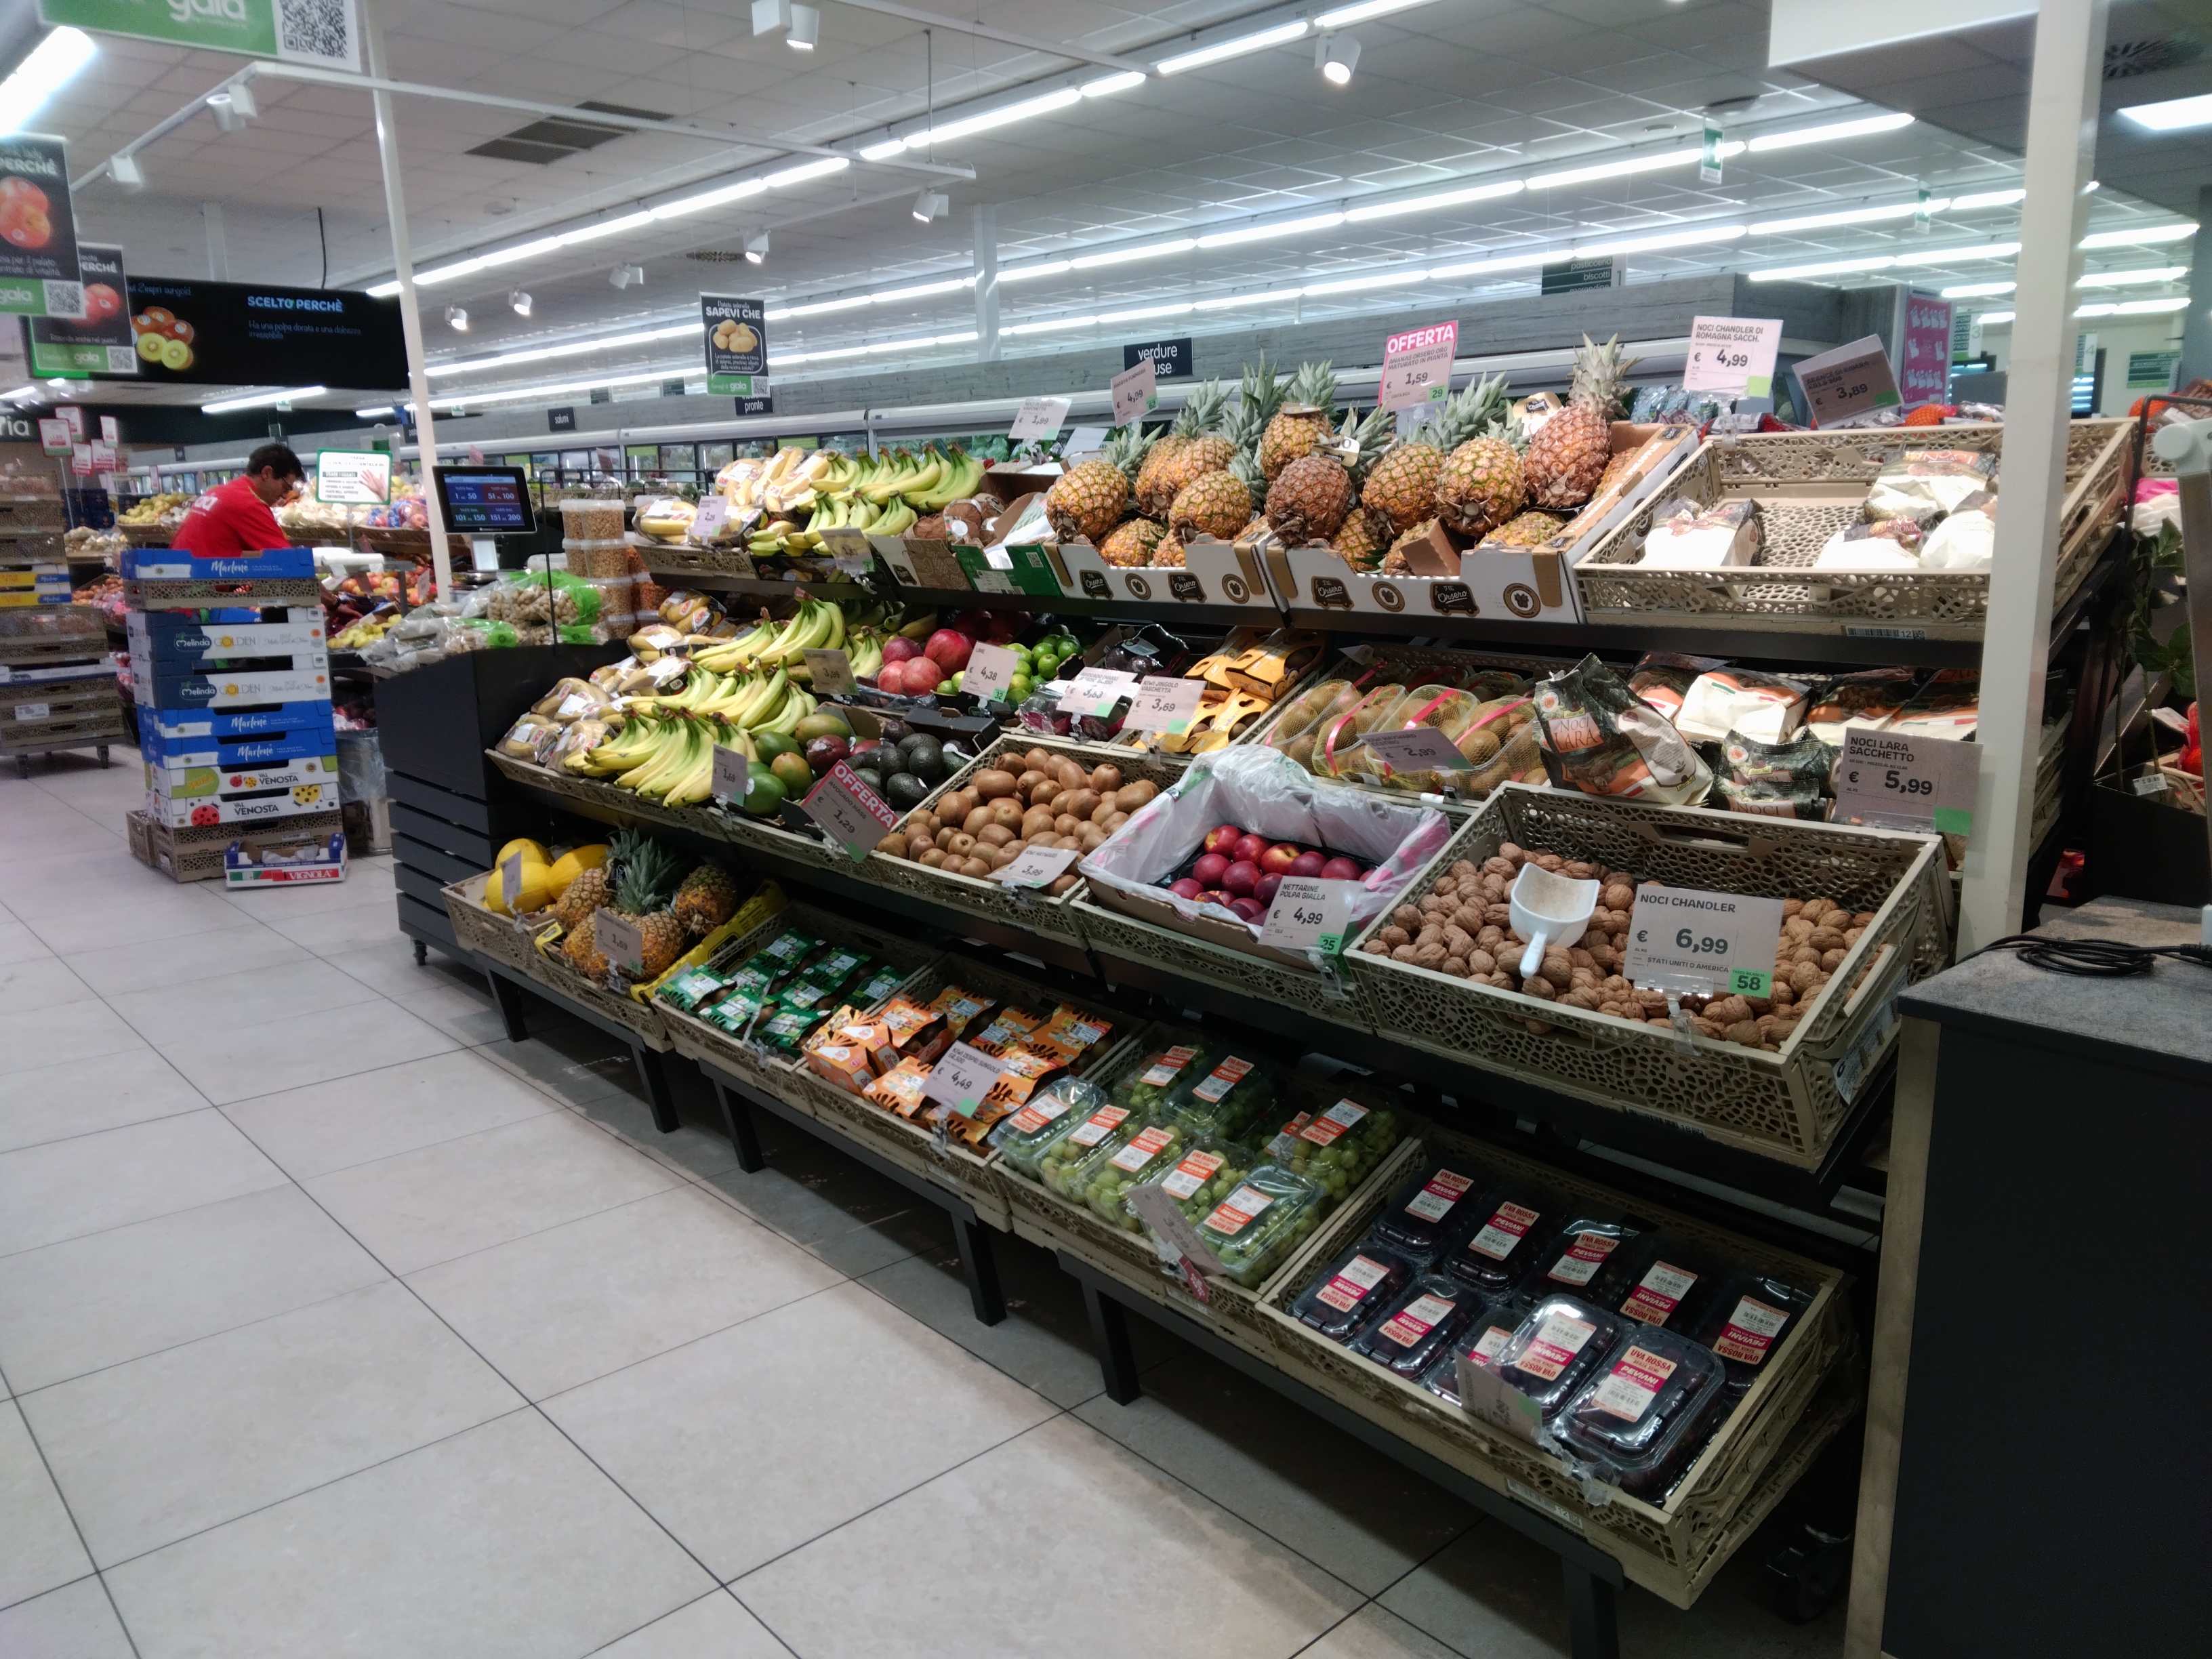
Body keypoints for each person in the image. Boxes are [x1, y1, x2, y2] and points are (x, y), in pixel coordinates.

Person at [168, 442, 303, 557]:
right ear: (266, 473)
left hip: (177, 571)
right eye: (285, 488)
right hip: (198, 577)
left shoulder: (218, 491)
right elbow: (285, 559)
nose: (285, 496)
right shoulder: (248, 503)